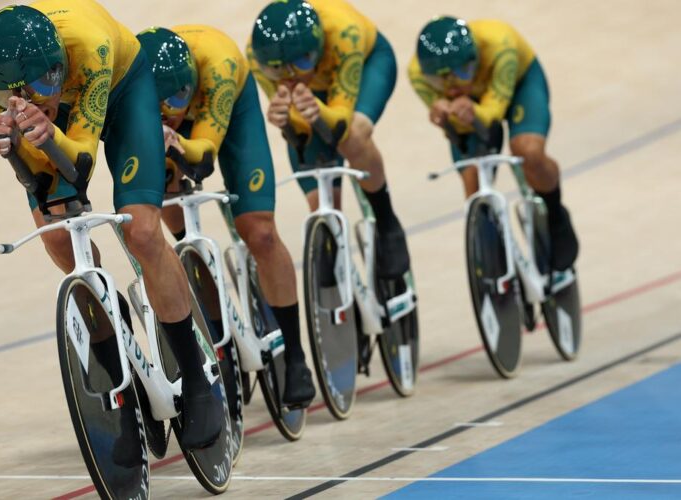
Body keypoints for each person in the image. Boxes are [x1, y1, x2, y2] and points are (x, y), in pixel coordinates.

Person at [0, 1, 221, 449]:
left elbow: (79, 160)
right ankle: (125, 382)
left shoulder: (90, 47)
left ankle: (197, 377)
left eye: (47, 81)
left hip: (121, 89)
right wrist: (11, 149)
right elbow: (43, 177)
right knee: (61, 242)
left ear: (58, 64)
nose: (41, 95)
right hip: (57, 118)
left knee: (142, 231)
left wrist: (49, 130)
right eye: (29, 90)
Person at [136, 25, 316, 407]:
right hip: (157, 119)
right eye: (163, 103)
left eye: (179, 99)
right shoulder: (134, 87)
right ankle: (211, 313)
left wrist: (180, 141)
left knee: (260, 231)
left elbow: (203, 160)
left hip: (230, 111)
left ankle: (297, 356)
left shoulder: (216, 67)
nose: (173, 109)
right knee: (167, 211)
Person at [247, 0, 411, 279]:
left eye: (302, 62)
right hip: (316, 92)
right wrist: (285, 121)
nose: (293, 74)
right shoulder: (257, 54)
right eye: (278, 69)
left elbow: (339, 124)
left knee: (354, 135)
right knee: (322, 205)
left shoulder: (343, 33)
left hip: (366, 66)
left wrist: (317, 110)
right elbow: (299, 129)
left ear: (319, 46)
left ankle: (386, 220)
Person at [409, 16, 578, 271]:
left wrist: (473, 111)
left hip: (520, 86)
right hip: (473, 108)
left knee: (528, 152)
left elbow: (493, 114)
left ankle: (555, 213)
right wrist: (444, 115)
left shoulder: (501, 44)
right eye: (439, 81)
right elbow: (458, 127)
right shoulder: (417, 73)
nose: (451, 87)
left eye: (461, 72)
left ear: (476, 58)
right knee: (472, 185)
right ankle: (493, 259)